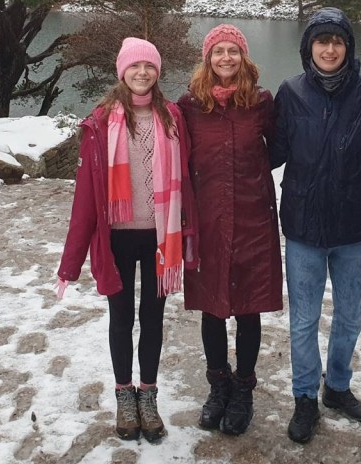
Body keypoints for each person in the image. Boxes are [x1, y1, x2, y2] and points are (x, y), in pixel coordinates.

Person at [271, 7, 361, 444]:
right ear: (308, 47)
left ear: (348, 46)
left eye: (337, 41)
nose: (329, 49)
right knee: (304, 320)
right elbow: (269, 155)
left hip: (352, 228)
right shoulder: (290, 94)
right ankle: (305, 397)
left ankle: (337, 386)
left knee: (349, 316)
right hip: (303, 228)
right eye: (321, 41)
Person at [56, 37, 197, 444]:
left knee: (152, 319)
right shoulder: (101, 121)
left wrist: (193, 233)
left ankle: (148, 395)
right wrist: (69, 264)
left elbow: (188, 178)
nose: (142, 72)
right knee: (121, 319)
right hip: (116, 239)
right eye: (134, 66)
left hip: (160, 237)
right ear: (122, 71)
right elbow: (86, 196)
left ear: (157, 72)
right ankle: (124, 395)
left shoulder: (172, 116)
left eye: (149, 66)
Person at [178, 24, 282, 436]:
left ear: (243, 57)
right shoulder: (189, 105)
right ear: (207, 58)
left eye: (233, 51)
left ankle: (243, 389)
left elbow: (280, 149)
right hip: (207, 220)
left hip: (253, 217)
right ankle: (218, 385)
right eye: (218, 51)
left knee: (248, 306)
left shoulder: (261, 102)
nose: (226, 58)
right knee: (212, 306)